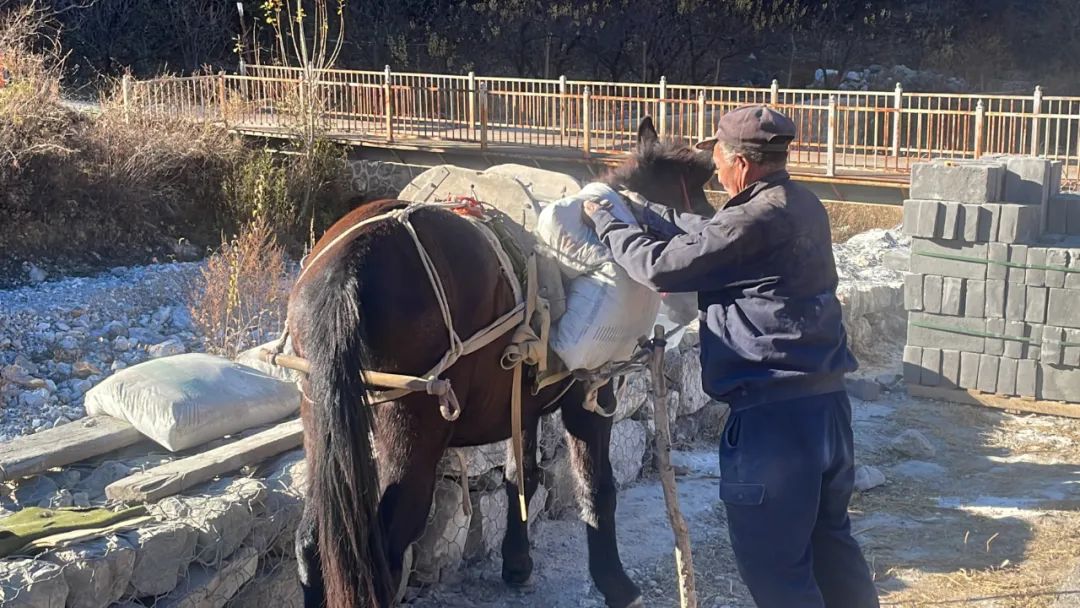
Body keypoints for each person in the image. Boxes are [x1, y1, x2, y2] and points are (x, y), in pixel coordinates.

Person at [583, 105, 880, 608]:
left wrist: (609, 221)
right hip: (827, 412)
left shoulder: (751, 220)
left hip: (773, 425)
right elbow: (709, 235)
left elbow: (659, 268)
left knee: (778, 574)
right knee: (832, 549)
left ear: (740, 163)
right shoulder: (801, 204)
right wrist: (644, 211)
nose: (715, 168)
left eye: (718, 157)